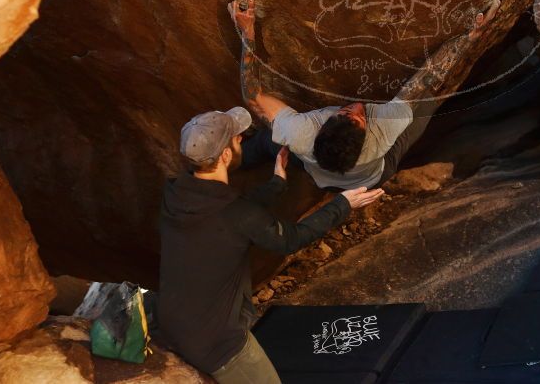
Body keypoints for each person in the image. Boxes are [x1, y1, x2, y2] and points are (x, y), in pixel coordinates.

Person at [158, 107, 383, 384]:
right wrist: (343, 204)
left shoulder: (176, 192)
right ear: (226, 155)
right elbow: (292, 238)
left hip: (171, 320)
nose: (242, 140)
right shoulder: (236, 215)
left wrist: (277, 182)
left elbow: (232, 215)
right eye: (237, 139)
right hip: (216, 343)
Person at [228, 0, 500, 191]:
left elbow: (253, 96)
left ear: (320, 129)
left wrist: (247, 33)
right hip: (372, 176)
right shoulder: (385, 129)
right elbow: (428, 77)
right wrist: (470, 37)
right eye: (358, 117)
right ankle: (229, 165)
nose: (358, 106)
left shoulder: (300, 133)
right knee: (426, 99)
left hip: (320, 173)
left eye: (347, 112)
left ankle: (228, 164)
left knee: (268, 139)